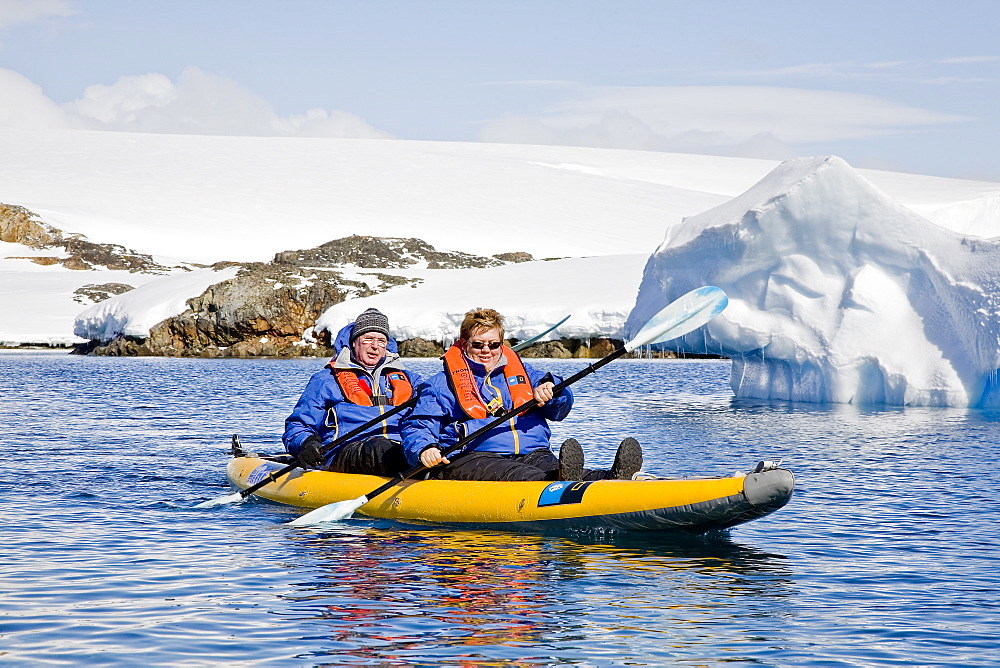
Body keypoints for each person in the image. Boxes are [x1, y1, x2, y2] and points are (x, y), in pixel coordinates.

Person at [401, 307, 642, 481]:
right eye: (478, 344)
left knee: (557, 469)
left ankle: (612, 477)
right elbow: (418, 424)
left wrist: (554, 392)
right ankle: (558, 484)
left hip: (532, 452)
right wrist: (424, 449)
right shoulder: (441, 384)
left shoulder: (525, 374)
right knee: (527, 476)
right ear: (464, 343)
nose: (487, 350)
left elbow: (561, 409)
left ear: (502, 344)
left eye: (494, 344)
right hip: (473, 457)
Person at [283, 308, 421, 475]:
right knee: (379, 448)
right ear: (355, 342)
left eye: (381, 341)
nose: (375, 346)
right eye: (368, 339)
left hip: (400, 450)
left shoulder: (411, 380)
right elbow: (298, 425)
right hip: (346, 453)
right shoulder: (325, 380)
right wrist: (306, 443)